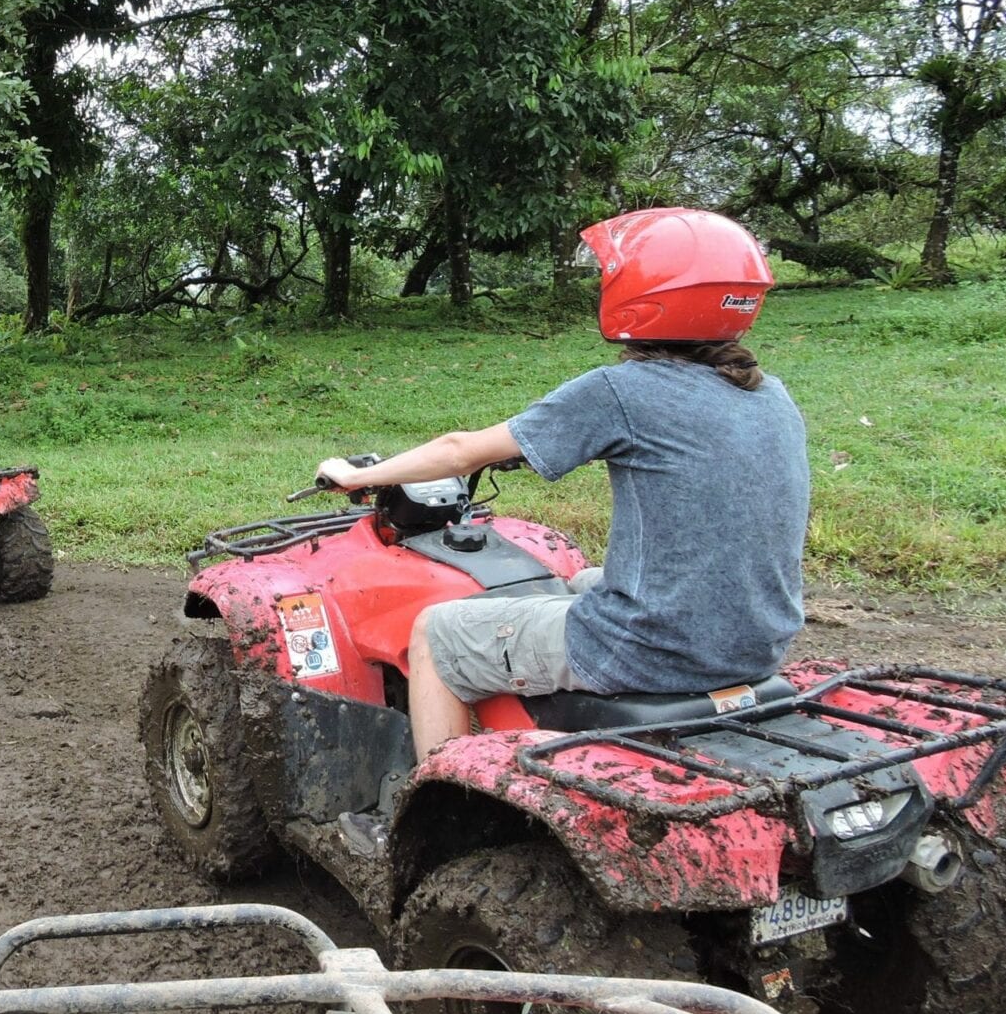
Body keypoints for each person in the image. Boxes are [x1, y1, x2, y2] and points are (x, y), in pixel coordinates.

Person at [315, 208, 808, 766]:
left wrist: (356, 476)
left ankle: (443, 795)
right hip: (757, 642)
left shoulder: (623, 391)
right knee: (581, 580)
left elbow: (459, 450)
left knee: (436, 631)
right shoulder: (771, 395)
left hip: (654, 651)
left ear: (640, 294)